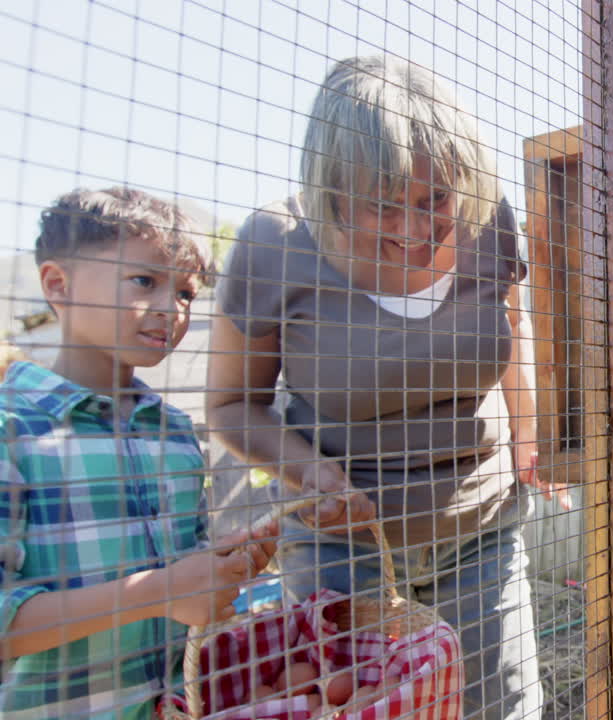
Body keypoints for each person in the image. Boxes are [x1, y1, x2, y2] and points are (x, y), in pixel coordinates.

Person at [207, 56, 568, 720]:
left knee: (504, 708)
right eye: (382, 206)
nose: (416, 229)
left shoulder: (490, 222)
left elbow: (509, 329)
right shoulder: (273, 245)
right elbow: (232, 405)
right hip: (342, 555)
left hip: (481, 533)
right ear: (329, 189)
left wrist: (527, 439)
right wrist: (310, 474)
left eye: (436, 199)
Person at [0, 187, 278, 720]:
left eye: (185, 294)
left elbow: (182, 593)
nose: (169, 310)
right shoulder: (14, 429)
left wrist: (221, 568)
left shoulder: (174, 435)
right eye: (145, 281)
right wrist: (161, 591)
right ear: (59, 285)